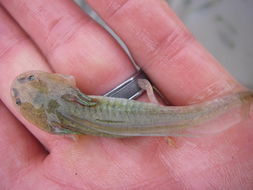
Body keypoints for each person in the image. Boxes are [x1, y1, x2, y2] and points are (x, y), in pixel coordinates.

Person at [0, 0, 252, 189]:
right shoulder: (68, 91)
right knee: (177, 118)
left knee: (175, 121)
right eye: (21, 99)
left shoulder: (65, 128)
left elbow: (73, 137)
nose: (23, 83)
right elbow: (68, 82)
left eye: (30, 78)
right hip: (146, 113)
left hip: (141, 124)